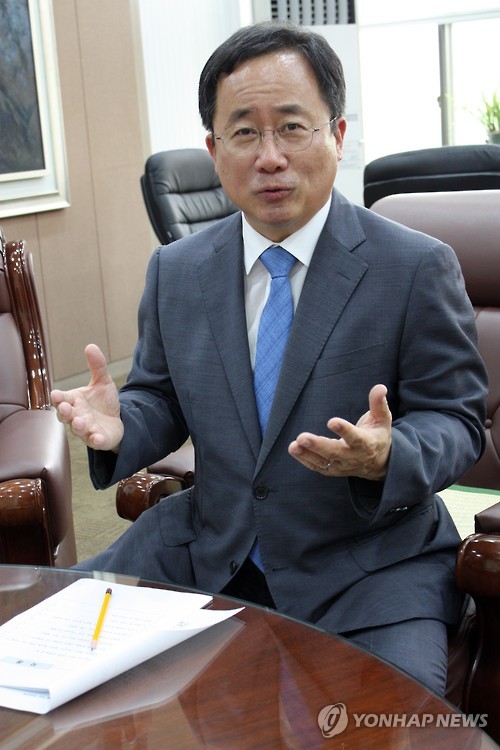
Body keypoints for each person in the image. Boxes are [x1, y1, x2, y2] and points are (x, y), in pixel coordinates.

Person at [51, 21, 487, 696]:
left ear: (337, 136)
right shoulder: (177, 269)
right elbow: (161, 399)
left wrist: (388, 455)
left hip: (369, 570)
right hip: (206, 549)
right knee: (47, 665)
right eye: (245, 132)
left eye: (291, 127)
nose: (270, 157)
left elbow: (456, 421)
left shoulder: (414, 266)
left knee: (394, 727)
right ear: (214, 149)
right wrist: (123, 422)